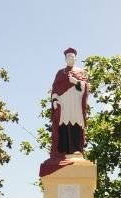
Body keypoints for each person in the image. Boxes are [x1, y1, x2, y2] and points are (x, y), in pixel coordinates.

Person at [40, 47, 90, 177]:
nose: (71, 59)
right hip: (64, 104)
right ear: (65, 59)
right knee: (63, 124)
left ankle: (76, 150)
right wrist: (55, 100)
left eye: (73, 57)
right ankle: (63, 150)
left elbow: (85, 87)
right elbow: (55, 89)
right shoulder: (60, 73)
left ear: (76, 58)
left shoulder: (81, 72)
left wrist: (77, 82)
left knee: (76, 124)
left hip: (76, 104)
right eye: (68, 57)